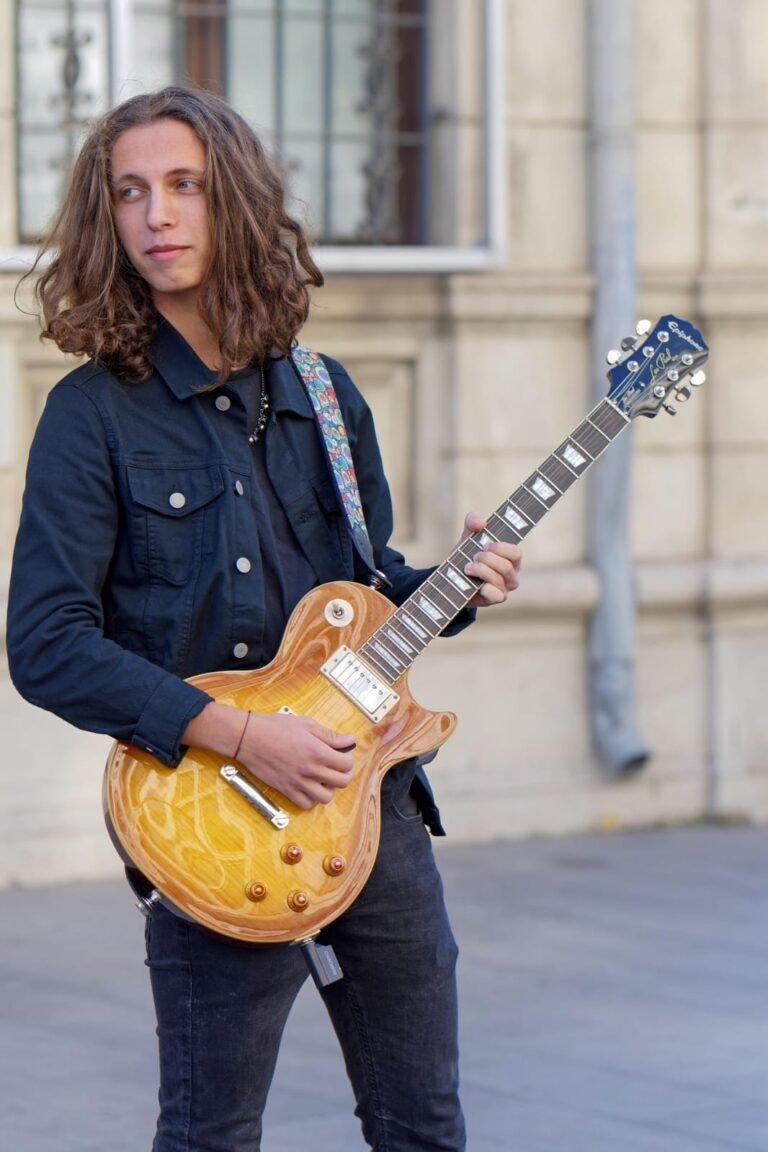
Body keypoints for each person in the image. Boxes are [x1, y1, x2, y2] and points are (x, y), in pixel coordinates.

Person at [7, 86, 522, 1152]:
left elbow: (366, 589)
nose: (157, 215)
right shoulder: (91, 414)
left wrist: (453, 587)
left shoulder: (328, 398)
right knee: (210, 1134)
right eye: (131, 192)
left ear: (232, 201)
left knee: (423, 1123)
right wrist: (244, 735)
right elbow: (45, 642)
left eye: (184, 186)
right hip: (212, 824)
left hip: (369, 809)